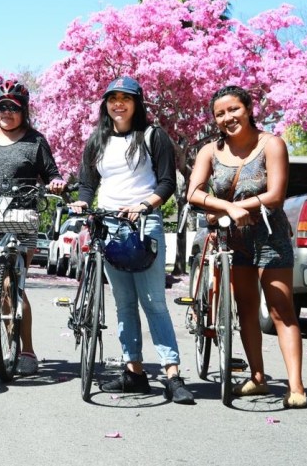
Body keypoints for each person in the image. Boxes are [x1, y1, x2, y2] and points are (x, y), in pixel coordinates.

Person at [70, 76, 194, 404]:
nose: (118, 104)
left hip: (143, 223)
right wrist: (84, 201)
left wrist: (144, 205)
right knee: (124, 304)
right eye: (113, 98)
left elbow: (167, 182)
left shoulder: (154, 136)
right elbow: (87, 182)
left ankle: (172, 374)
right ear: (106, 104)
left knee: (153, 302)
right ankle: (134, 371)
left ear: (138, 103)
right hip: (108, 225)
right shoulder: (97, 140)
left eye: (126, 98)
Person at [187, 85, 307, 408]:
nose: (228, 117)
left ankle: (296, 388)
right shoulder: (210, 152)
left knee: (281, 310)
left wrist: (245, 205)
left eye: (234, 110)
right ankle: (258, 378)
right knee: (246, 308)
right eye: (220, 114)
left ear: (249, 108)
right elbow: (193, 193)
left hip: (270, 235)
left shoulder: (272, 145)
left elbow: (276, 195)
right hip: (233, 239)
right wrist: (228, 208)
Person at [0, 80, 66, 376]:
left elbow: (52, 174)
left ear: (24, 111)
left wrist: (57, 183)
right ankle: (8, 343)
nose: (6, 112)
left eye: (13, 107)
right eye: (1, 107)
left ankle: (27, 350)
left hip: (23, 221)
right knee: (2, 285)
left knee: (14, 284)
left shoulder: (35, 141)